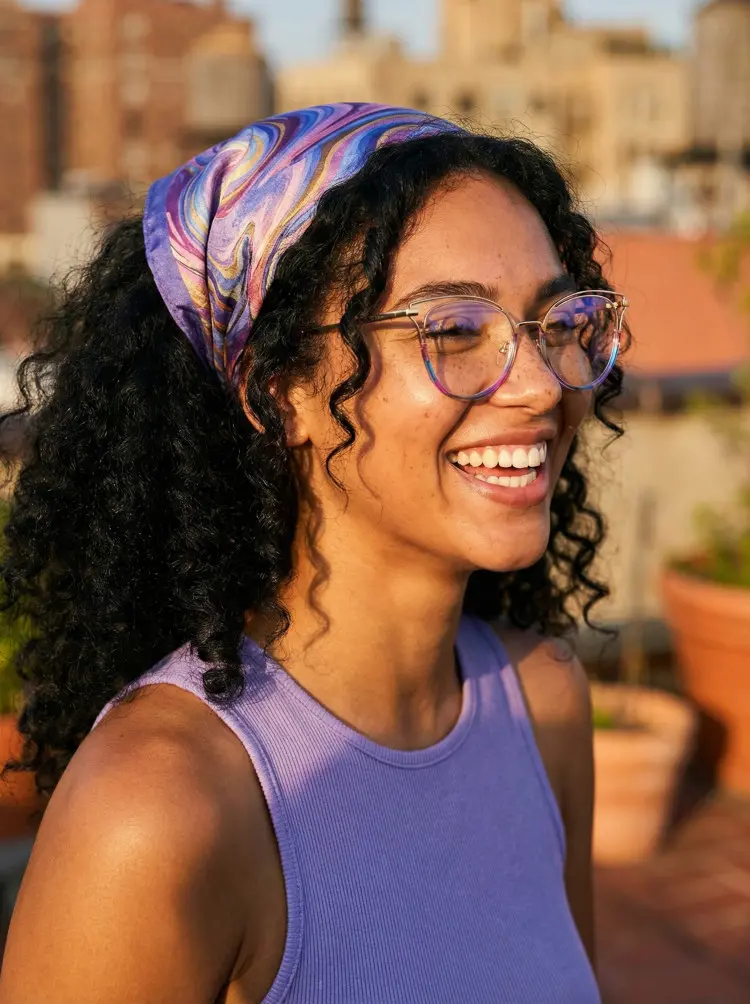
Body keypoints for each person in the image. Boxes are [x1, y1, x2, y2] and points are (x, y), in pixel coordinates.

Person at [0, 103, 627, 1003]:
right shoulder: (160, 807)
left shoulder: (543, 703)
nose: (539, 385)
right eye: (453, 330)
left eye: (558, 322)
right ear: (279, 390)